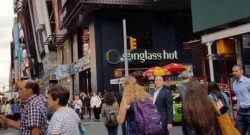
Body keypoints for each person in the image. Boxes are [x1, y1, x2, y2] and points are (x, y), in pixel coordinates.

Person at [232, 64, 250, 135]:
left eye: (236, 71)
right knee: (238, 132)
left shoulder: (248, 82)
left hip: (249, 110)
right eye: (233, 71)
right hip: (240, 112)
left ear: (241, 71)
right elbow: (238, 98)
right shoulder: (234, 84)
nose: (234, 73)